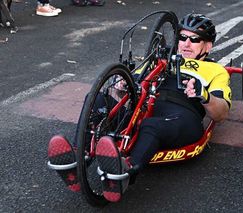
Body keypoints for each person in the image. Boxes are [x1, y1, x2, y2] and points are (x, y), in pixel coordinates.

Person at [48, 13, 232, 202]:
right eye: (182, 37)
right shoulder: (160, 58)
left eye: (194, 39)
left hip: (182, 115)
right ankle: (79, 158)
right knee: (96, 100)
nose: (186, 43)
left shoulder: (215, 70)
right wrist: (120, 86)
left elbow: (221, 113)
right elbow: (131, 85)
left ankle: (125, 172)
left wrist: (204, 94)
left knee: (151, 126)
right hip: (143, 109)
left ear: (208, 46)